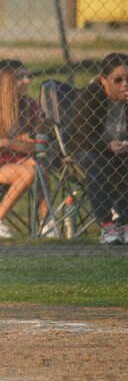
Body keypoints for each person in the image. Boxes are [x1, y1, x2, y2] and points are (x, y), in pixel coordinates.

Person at [0, 59, 47, 239]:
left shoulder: (30, 105)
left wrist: (6, 143)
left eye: (26, 76)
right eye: (20, 77)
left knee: (41, 166)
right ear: (6, 82)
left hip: (19, 159)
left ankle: (47, 223)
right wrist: (19, 143)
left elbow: (38, 146)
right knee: (29, 173)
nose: (27, 81)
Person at [68, 52, 128, 245]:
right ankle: (106, 225)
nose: (124, 85)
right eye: (117, 80)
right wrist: (107, 146)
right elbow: (82, 135)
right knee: (96, 163)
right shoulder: (91, 95)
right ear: (103, 80)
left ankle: (124, 223)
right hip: (90, 149)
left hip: (122, 151)